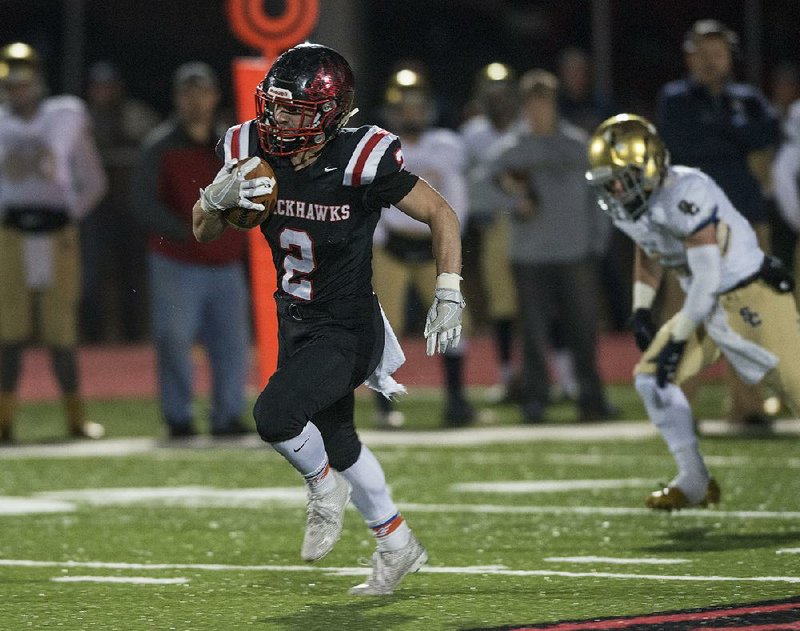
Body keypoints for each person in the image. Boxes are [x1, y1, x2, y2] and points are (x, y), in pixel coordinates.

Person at [192, 43, 464, 595]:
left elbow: (441, 212)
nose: (277, 118)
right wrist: (212, 199)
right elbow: (202, 232)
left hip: (348, 324)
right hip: (295, 317)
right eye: (274, 106)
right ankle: (397, 544)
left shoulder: (362, 156)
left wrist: (449, 288)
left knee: (274, 416)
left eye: (293, 110)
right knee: (339, 440)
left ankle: (323, 488)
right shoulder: (248, 147)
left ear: (328, 113)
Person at [586, 113, 800, 510]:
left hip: (750, 296)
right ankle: (695, 480)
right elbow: (649, 248)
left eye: (620, 177)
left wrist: (678, 336)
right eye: (608, 180)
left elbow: (707, 276)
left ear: (648, 165)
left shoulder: (687, 191)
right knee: (652, 378)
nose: (614, 188)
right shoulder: (631, 202)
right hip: (707, 305)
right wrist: (641, 308)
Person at [656, 19, 782, 430]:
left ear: (729, 57)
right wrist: (735, 136)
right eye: (704, 53)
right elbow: (684, 143)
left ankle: (748, 405)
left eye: (719, 53)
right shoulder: (676, 98)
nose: (712, 61)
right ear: (689, 56)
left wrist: (723, 131)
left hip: (745, 218)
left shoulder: (747, 98)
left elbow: (768, 135)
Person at [486, 69, 616, 424]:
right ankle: (536, 399)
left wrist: (597, 241)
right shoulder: (511, 149)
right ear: (525, 107)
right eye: (532, 104)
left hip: (576, 252)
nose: (538, 111)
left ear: (553, 104)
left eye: (544, 103)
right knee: (533, 333)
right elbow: (480, 189)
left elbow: (600, 196)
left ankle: (591, 398)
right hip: (529, 255)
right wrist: (513, 200)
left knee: (584, 329)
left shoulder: (579, 145)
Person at [131, 62, 251, 439]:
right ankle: (178, 416)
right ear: (177, 98)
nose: (196, 101)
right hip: (177, 260)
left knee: (232, 343)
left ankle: (227, 414)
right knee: (174, 340)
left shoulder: (232, 145)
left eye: (202, 92)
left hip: (225, 261)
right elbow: (142, 202)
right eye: (188, 93)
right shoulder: (160, 146)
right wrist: (189, 231)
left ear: (215, 96)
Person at [0, 42, 107, 443]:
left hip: (56, 234)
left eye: (23, 83)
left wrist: (69, 216)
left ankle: (76, 418)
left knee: (61, 330)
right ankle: (4, 420)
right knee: (7, 332)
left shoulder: (63, 116)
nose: (17, 92)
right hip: (10, 235)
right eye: (11, 84)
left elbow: (94, 181)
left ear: (38, 82)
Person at [371, 64, 473, 427]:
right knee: (382, 328)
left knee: (452, 319)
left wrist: (451, 238)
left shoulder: (447, 144)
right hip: (392, 246)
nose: (411, 112)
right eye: (405, 105)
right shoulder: (379, 144)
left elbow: (456, 193)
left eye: (417, 104)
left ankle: (457, 400)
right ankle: (384, 406)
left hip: (432, 244)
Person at [80, 61, 161, 343]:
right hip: (95, 209)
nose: (104, 92)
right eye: (99, 87)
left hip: (129, 208)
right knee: (92, 277)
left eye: (109, 86)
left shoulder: (135, 114)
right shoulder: (83, 119)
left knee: (133, 277)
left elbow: (155, 147)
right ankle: (93, 337)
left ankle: (135, 337)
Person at [459, 62, 521, 404]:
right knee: (502, 303)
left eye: (503, 93)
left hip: (532, 225)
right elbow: (467, 183)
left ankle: (560, 377)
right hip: (494, 224)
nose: (498, 101)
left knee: (540, 302)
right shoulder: (472, 133)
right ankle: (507, 374)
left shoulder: (528, 126)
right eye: (492, 94)